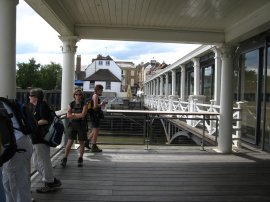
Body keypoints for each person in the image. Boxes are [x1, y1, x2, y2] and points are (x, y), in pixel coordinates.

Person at [29, 88, 62, 193]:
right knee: (37, 162)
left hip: (40, 139)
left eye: (30, 95)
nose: (29, 97)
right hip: (36, 139)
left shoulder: (42, 105)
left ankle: (49, 183)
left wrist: (31, 124)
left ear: (35, 97)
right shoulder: (38, 106)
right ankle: (52, 179)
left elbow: (44, 120)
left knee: (43, 162)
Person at [0, 100, 33, 202]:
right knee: (9, 185)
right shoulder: (4, 101)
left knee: (17, 187)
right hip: (22, 142)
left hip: (15, 148)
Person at [60, 88, 87, 167]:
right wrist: (77, 115)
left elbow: (83, 114)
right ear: (74, 95)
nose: (78, 96)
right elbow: (68, 115)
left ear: (82, 96)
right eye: (76, 94)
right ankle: (65, 158)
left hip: (82, 125)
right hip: (73, 125)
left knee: (81, 142)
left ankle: (80, 158)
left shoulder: (84, 104)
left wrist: (73, 115)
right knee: (69, 142)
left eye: (80, 94)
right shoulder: (71, 104)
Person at [85, 84, 106, 152]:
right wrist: (102, 104)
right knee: (96, 130)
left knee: (95, 130)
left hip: (93, 115)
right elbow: (95, 107)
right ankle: (94, 146)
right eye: (101, 90)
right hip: (95, 115)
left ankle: (87, 142)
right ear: (98, 90)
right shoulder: (96, 96)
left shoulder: (94, 95)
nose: (102, 91)